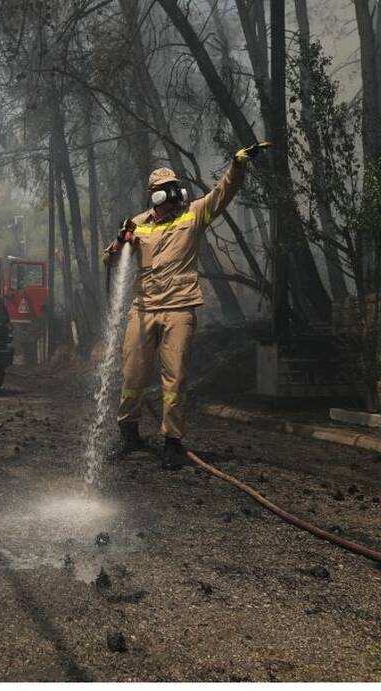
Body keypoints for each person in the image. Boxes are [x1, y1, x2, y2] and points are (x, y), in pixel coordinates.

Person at [104, 145, 263, 468]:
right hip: (144, 308)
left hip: (179, 308)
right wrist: (122, 240)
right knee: (133, 372)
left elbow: (223, 193)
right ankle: (129, 434)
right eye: (165, 190)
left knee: (173, 379)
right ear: (155, 196)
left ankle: (172, 441)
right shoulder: (137, 224)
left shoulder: (193, 215)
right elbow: (110, 260)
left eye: (174, 187)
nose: (173, 193)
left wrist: (236, 167)